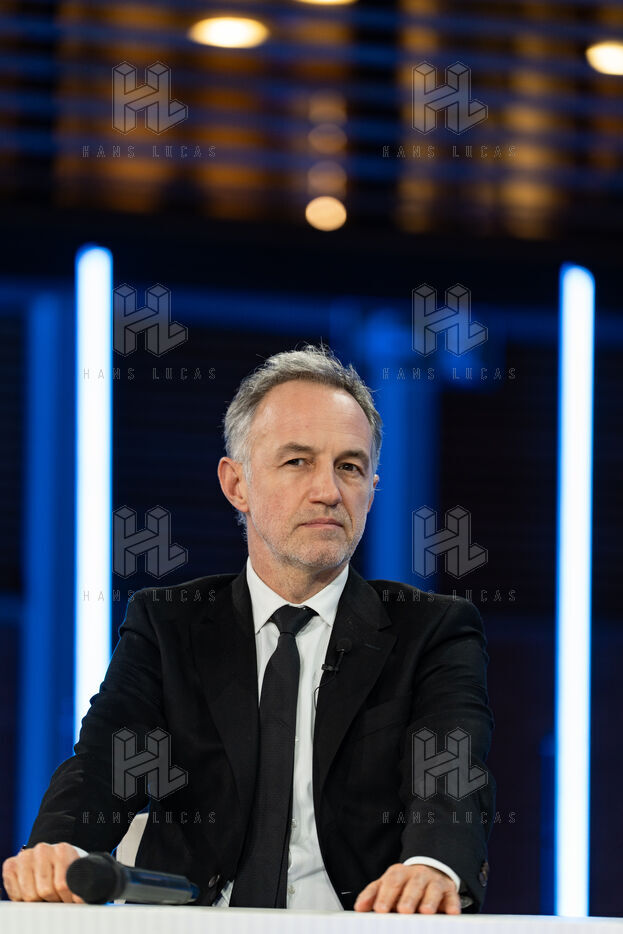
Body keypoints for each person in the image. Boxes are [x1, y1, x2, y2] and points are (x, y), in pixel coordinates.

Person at [2, 343, 495, 912]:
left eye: (350, 467)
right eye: (298, 461)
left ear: (371, 490)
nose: (329, 491)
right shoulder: (169, 624)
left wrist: (432, 865)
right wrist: (58, 850)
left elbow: (452, 773)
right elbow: (105, 765)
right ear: (237, 484)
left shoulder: (433, 631)